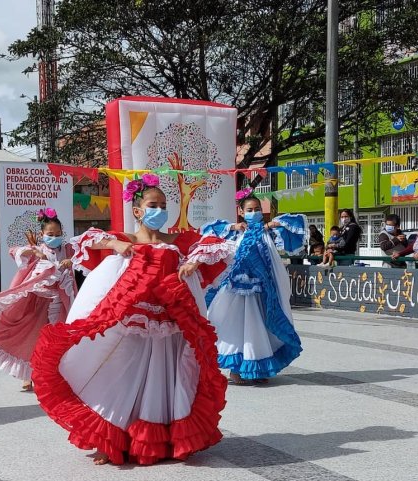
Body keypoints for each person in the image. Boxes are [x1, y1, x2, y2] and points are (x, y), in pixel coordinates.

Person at [30, 174, 233, 466]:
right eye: (153, 204)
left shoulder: (175, 240)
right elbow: (86, 241)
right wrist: (115, 244)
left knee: (168, 374)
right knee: (121, 371)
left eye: (163, 205)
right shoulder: (127, 240)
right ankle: (110, 438)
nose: (160, 210)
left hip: (171, 318)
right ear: (137, 211)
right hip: (132, 318)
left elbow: (215, 245)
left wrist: (193, 261)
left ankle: (167, 439)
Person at [202, 190, 306, 386]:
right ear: (240, 211)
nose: (254, 213)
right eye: (249, 209)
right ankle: (235, 371)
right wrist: (233, 225)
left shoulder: (267, 231)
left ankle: (258, 368)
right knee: (236, 327)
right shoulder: (235, 231)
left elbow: (298, 224)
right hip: (236, 291)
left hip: (262, 290)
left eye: (257, 209)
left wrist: (276, 223)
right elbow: (207, 231)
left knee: (260, 328)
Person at [0, 209, 76, 392]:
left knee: (56, 340)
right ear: (42, 235)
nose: (55, 237)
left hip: (60, 303)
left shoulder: (67, 250)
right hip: (36, 302)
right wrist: (34, 252)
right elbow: (15, 251)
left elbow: (82, 254)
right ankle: (28, 375)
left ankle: (53, 376)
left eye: (58, 234)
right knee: (32, 338)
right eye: (50, 234)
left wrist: (71, 261)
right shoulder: (37, 249)